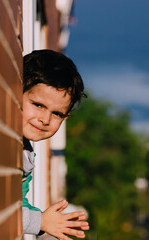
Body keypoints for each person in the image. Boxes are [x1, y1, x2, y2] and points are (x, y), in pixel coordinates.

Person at [22, 49, 89, 240]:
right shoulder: (6, 147)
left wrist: (47, 222)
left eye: (57, 114)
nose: (45, 119)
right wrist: (41, 221)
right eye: (38, 105)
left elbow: (18, 204)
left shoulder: (24, 148)